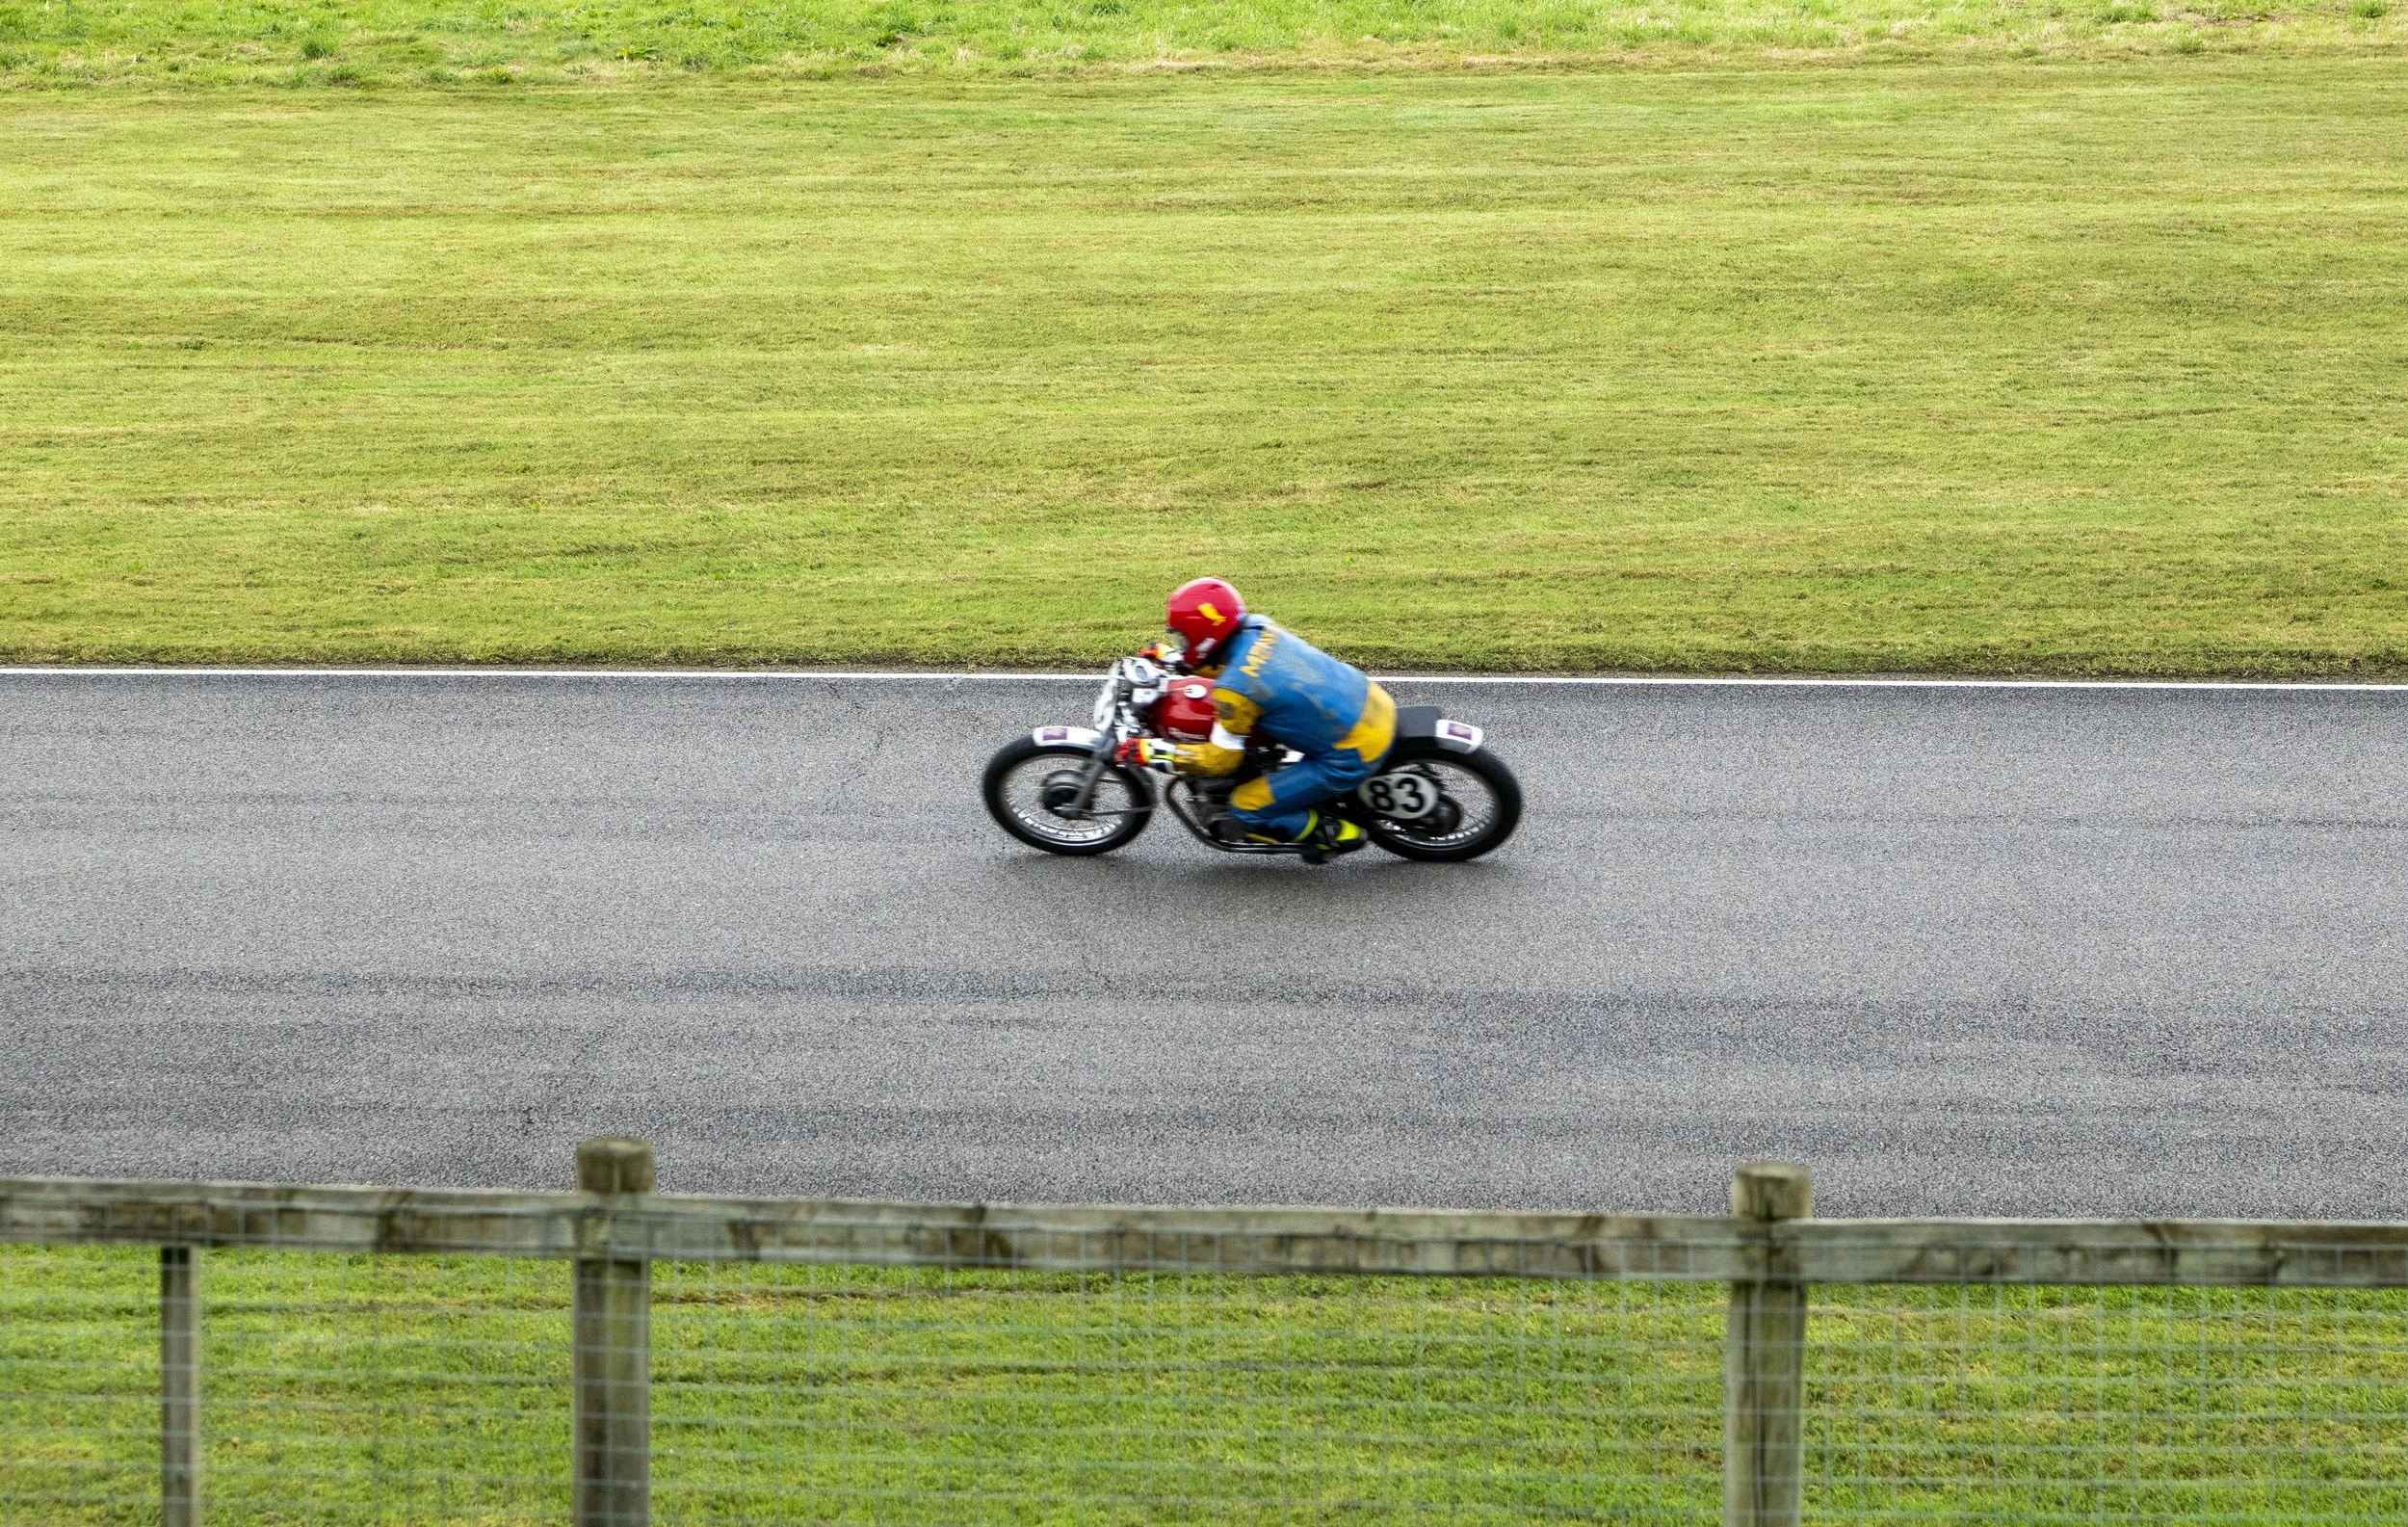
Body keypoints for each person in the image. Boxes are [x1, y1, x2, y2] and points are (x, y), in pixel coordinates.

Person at [1117, 577, 1395, 860]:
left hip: (1351, 752)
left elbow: (1220, 760)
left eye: (1184, 637)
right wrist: (1175, 659)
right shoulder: (1258, 627)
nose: (1183, 643)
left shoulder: (1234, 693)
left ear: (1203, 634)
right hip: (1373, 702)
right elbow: (1242, 668)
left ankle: (1338, 833)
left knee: (1246, 807)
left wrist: (1150, 750)